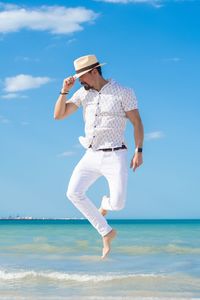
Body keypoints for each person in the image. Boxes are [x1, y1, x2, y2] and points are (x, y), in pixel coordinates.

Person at [54, 54, 144, 259]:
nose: (80, 81)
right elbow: (58, 115)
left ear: (94, 72)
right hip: (91, 154)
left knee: (118, 204)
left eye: (82, 77)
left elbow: (137, 123)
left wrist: (139, 150)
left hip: (116, 154)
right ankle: (106, 232)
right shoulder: (83, 94)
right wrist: (64, 91)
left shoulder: (123, 92)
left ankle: (105, 204)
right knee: (73, 193)